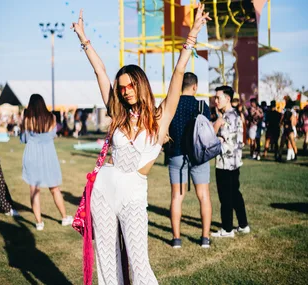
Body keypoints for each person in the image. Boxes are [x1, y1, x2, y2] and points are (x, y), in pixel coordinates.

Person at [71, 5, 211, 284]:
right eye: (122, 87)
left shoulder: (160, 118)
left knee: (139, 263)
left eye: (130, 85)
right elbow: (101, 73)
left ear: (140, 84)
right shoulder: (118, 114)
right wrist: (84, 39)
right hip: (104, 189)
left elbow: (177, 74)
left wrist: (192, 35)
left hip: (134, 192)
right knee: (107, 263)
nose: (125, 91)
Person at [168, 72, 212, 249]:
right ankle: (205, 238)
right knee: (203, 196)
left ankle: (177, 239)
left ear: (181, 86)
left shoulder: (172, 104)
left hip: (176, 154)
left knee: (177, 198)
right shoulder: (202, 105)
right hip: (199, 155)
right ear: (195, 86)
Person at [21, 94, 73, 230]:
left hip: (32, 157)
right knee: (55, 189)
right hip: (49, 157)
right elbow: (53, 135)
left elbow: (23, 139)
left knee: (34, 190)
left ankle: (39, 223)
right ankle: (64, 217)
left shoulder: (27, 120)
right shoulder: (52, 118)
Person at [212, 86, 250, 238]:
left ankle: (227, 229)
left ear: (227, 99)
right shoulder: (236, 114)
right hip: (235, 162)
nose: (215, 101)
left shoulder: (226, 118)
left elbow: (223, 141)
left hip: (225, 163)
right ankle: (243, 224)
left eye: (218, 98)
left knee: (225, 196)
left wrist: (215, 138)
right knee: (235, 194)